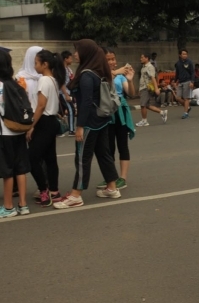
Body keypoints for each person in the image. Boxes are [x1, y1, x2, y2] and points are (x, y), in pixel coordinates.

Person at [53, 39, 121, 208]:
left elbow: (86, 103)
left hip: (90, 123)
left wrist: (79, 126)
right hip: (101, 120)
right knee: (104, 153)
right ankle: (112, 187)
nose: (75, 54)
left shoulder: (86, 75)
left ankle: (76, 194)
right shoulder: (98, 72)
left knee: (82, 158)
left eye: (77, 51)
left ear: (86, 53)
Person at [0, 49, 30, 219]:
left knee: (6, 171)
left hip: (2, 133)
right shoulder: (14, 82)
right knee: (20, 169)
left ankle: (8, 207)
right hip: (18, 130)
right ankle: (23, 205)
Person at [26, 50, 65, 207]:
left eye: (36, 63)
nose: (34, 66)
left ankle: (44, 190)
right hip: (51, 122)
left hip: (44, 122)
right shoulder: (53, 80)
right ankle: (54, 191)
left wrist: (31, 126)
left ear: (45, 64)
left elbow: (41, 106)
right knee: (50, 159)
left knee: (32, 158)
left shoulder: (43, 80)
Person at [98, 48, 135, 190]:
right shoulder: (101, 74)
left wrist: (130, 81)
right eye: (108, 59)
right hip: (107, 113)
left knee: (122, 145)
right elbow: (107, 78)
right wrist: (116, 71)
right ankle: (110, 177)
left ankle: (123, 178)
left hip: (120, 113)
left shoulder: (120, 77)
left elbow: (131, 93)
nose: (112, 62)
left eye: (113, 59)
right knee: (108, 147)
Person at [136, 52, 167, 127]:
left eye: (142, 57)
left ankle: (144, 121)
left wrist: (156, 88)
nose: (141, 59)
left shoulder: (150, 67)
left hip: (146, 88)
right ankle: (162, 112)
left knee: (143, 105)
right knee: (147, 105)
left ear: (147, 58)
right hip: (143, 87)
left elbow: (153, 78)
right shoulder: (144, 67)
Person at [173, 49, 195, 119]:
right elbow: (177, 73)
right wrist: (175, 81)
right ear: (180, 55)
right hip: (180, 82)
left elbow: (192, 72)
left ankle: (185, 113)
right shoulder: (178, 63)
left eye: (186, 54)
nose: (185, 55)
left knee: (186, 98)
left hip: (187, 81)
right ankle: (187, 107)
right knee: (178, 98)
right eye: (183, 54)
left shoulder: (189, 62)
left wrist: (192, 82)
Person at [60, 50, 76, 136]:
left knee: (66, 110)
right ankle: (71, 130)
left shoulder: (68, 69)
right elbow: (61, 82)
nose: (71, 60)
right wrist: (65, 94)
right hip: (63, 92)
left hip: (69, 92)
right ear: (65, 59)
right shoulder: (62, 69)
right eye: (70, 58)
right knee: (70, 110)